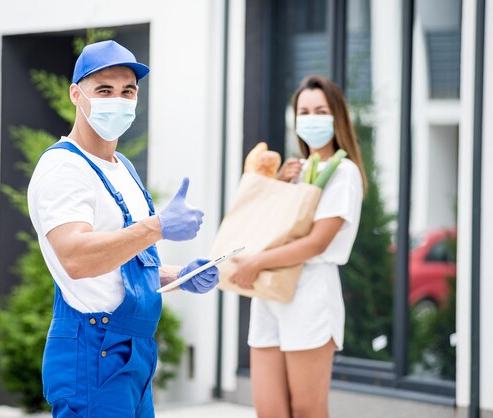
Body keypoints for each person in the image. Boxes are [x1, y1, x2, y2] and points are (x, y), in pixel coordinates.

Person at [27, 40, 220, 418]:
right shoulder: (64, 170)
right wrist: (158, 227)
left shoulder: (123, 168)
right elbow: (77, 258)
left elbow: (120, 266)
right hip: (92, 352)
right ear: (76, 94)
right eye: (104, 90)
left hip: (134, 351)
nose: (118, 100)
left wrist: (179, 275)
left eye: (127, 91)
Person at [228, 75, 367, 418]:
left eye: (320, 110)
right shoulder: (295, 170)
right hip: (272, 294)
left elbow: (317, 242)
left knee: (307, 410)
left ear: (337, 117)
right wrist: (276, 185)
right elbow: (268, 227)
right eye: (303, 111)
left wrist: (255, 263)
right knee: (270, 410)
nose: (311, 118)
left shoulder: (344, 173)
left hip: (310, 294)